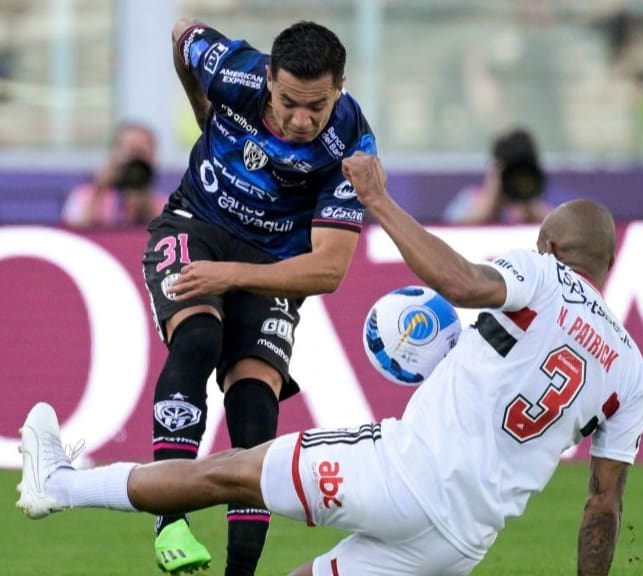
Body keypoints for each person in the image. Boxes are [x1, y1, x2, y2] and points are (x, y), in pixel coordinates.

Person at [17, 153, 643, 576]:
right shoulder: (628, 371)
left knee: (224, 473)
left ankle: (58, 485)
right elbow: (603, 506)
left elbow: (460, 282)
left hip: (397, 476)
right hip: (461, 543)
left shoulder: (540, 274)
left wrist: (377, 199)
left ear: (550, 245)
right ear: (608, 266)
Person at [137, 17, 376, 576]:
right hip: (193, 224)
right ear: (268, 78)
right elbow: (181, 32)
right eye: (290, 101)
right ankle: (169, 518)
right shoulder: (230, 70)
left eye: (316, 106)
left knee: (253, 401)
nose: (301, 119)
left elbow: (329, 270)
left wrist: (229, 276)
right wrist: (201, 108)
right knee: (196, 338)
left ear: (338, 90)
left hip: (270, 263)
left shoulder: (353, 144)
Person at [61, 121, 164, 228]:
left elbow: (167, 236)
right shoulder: (83, 196)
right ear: (114, 153)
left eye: (141, 152)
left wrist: (145, 204)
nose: (135, 159)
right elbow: (75, 234)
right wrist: (98, 190)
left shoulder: (164, 204)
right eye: (130, 151)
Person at [442, 127, 551, 225]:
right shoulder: (470, 198)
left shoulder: (544, 202)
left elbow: (561, 229)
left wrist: (529, 205)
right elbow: (450, 230)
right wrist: (491, 200)